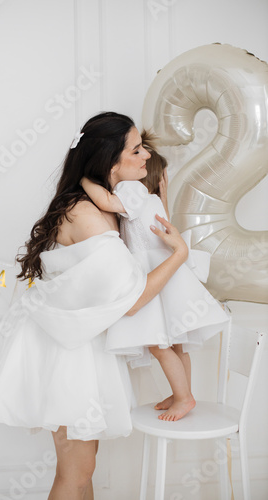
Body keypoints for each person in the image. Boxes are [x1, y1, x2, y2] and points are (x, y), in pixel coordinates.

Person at [0, 112, 190, 500]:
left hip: (76, 344)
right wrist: (179, 254)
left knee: (82, 470)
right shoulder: (88, 216)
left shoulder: (106, 203)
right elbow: (134, 300)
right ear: (109, 161)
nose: (146, 155)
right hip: (66, 353)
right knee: (76, 471)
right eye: (136, 150)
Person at [80, 129, 230, 423]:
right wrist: (164, 194)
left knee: (158, 344)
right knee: (176, 344)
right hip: (168, 274)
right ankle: (181, 393)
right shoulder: (153, 201)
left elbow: (107, 203)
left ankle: (184, 397)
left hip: (151, 273)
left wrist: (85, 178)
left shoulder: (131, 191)